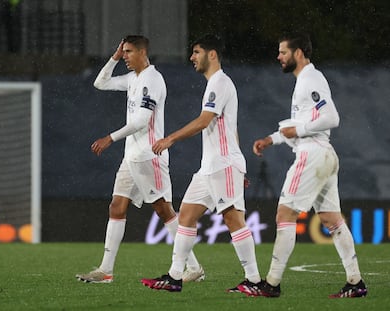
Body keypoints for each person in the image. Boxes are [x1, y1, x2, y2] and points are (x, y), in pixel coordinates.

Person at [244, 32, 367, 298]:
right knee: (332, 219)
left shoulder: (310, 78)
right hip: (325, 155)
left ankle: (272, 284)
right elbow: (295, 127)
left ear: (298, 53)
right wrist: (271, 139)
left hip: (312, 155)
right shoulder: (305, 81)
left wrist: (299, 129)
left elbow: (331, 117)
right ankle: (356, 283)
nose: (279, 56)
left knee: (285, 215)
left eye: (283, 52)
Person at [76, 35, 204, 283]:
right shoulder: (132, 78)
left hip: (149, 155)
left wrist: (110, 138)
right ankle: (105, 270)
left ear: (143, 52)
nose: (125, 56)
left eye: (129, 52)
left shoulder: (151, 80)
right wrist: (113, 58)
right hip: (131, 156)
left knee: (164, 210)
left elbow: (141, 121)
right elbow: (100, 83)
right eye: (123, 52)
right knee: (117, 206)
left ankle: (194, 266)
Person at [141, 34, 262, 293]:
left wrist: (170, 138)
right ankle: (175, 276)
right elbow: (232, 128)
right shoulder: (214, 84)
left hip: (223, 165)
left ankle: (254, 280)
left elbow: (204, 120)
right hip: (211, 167)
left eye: (197, 52)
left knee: (233, 220)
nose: (192, 57)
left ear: (212, 54)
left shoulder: (220, 82)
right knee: (186, 214)